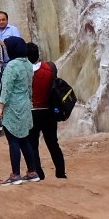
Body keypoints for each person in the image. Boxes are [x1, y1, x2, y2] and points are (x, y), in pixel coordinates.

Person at [0, 36, 43, 184]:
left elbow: (6, 89)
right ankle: (32, 172)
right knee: (24, 140)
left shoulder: (12, 66)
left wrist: (0, 108)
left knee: (13, 141)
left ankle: (15, 175)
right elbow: (29, 87)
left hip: (13, 106)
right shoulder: (28, 64)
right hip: (25, 106)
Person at [27, 41, 66, 179]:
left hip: (32, 112)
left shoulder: (25, 73)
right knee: (53, 143)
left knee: (32, 145)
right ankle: (60, 173)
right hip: (49, 111)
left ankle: (39, 173)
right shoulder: (50, 68)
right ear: (38, 55)